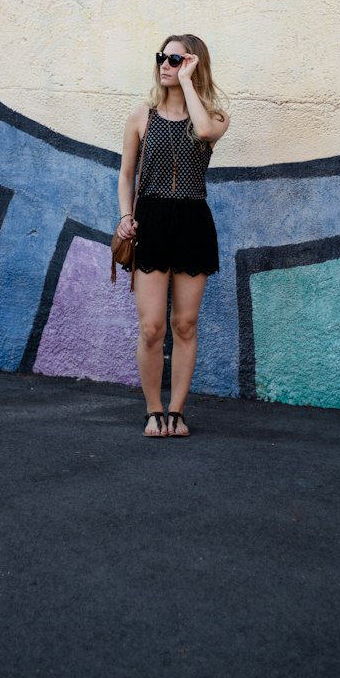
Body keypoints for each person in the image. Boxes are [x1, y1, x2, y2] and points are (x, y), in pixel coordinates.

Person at [116, 34, 229, 437]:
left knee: (184, 324)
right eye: (162, 57)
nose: (165, 64)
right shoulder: (141, 115)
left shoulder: (215, 116)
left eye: (176, 59)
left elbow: (200, 132)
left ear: (194, 65)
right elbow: (127, 174)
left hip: (193, 221)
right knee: (151, 328)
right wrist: (125, 216)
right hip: (152, 219)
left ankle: (177, 412)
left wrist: (186, 84)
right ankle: (153, 409)